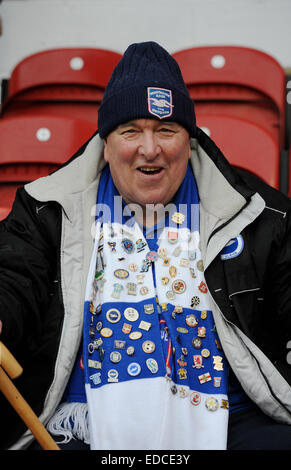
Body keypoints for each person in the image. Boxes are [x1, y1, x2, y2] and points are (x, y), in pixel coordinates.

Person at [1, 41, 291, 451]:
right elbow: (13, 275)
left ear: (188, 140)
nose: (149, 148)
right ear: (106, 142)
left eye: (166, 129)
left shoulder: (257, 213)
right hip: (80, 421)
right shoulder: (48, 209)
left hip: (234, 414)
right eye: (131, 130)